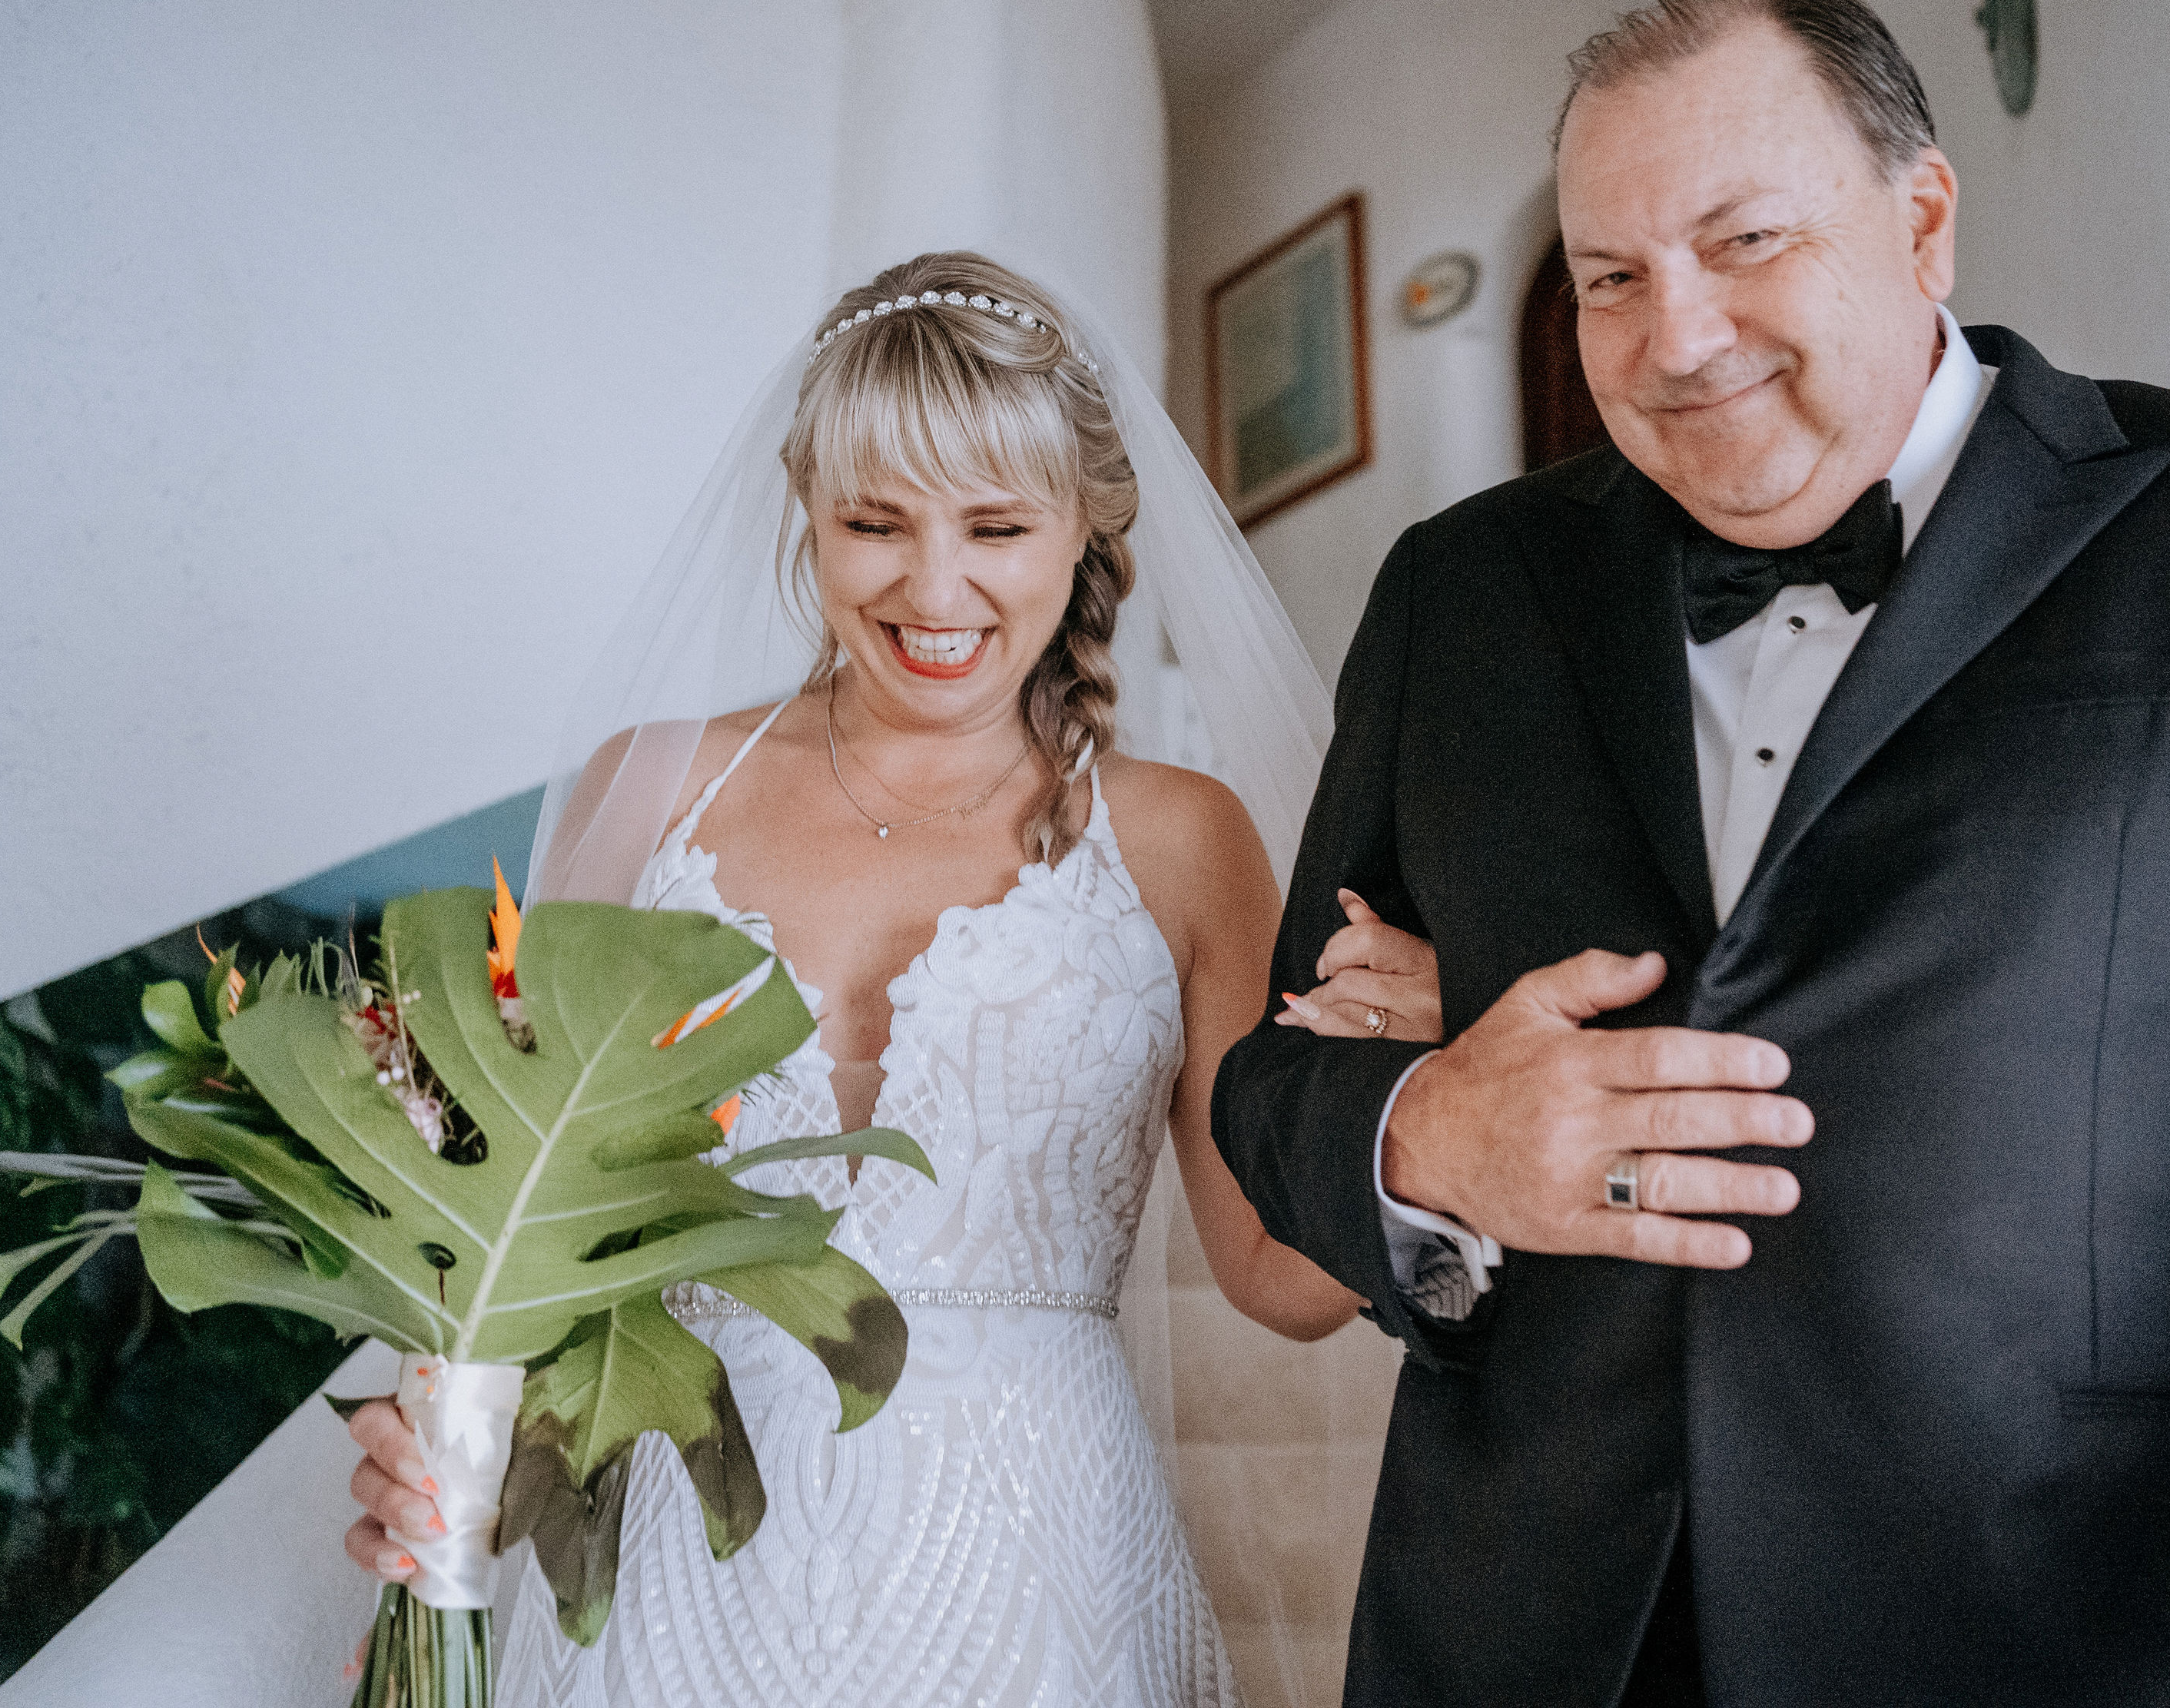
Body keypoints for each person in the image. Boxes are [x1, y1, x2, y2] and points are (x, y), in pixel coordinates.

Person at [1212, 0, 2170, 1708]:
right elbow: (1273, 1088)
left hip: (2094, 1631)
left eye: (1745, 241)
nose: (1678, 335)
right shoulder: (1461, 593)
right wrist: (1430, 1132)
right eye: (1611, 280)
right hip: (1531, 1641)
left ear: (1924, 216)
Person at [336, 251, 1445, 1707]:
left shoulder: (1185, 839)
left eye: (995, 523)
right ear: (806, 505)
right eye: (875, 521)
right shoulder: (652, 791)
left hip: (1041, 1576)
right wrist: (433, 1508)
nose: (934, 587)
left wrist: (1413, 1080)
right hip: (666, 1566)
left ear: (1087, 529)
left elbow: (1280, 1282)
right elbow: (516, 1248)